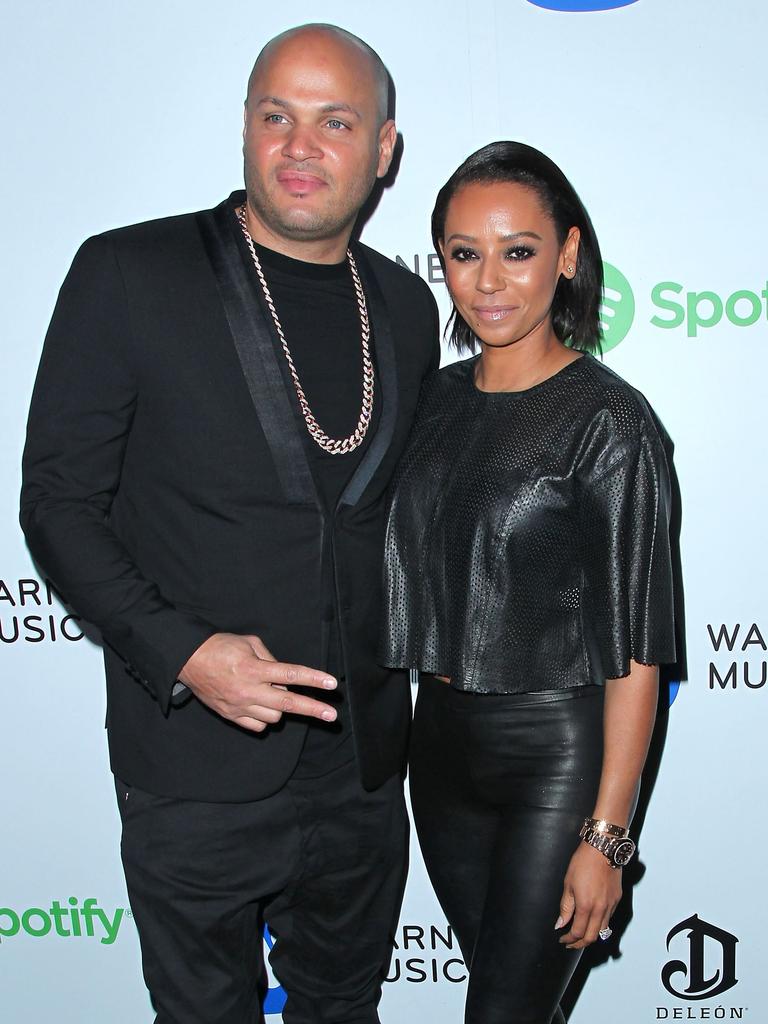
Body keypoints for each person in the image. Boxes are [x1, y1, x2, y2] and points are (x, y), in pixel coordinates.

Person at [20, 23, 439, 1024]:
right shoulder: (131, 274)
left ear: (382, 150)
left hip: (361, 762)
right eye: (275, 117)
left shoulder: (407, 304)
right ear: (246, 129)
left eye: (335, 122)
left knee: (343, 1008)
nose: (300, 148)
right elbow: (58, 503)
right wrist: (185, 651)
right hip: (196, 758)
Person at [380, 141, 676, 1024]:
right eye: (465, 254)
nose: (489, 281)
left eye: (519, 251)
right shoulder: (428, 400)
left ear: (569, 256)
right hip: (435, 752)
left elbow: (637, 649)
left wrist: (607, 838)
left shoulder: (610, 421)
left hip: (555, 754)